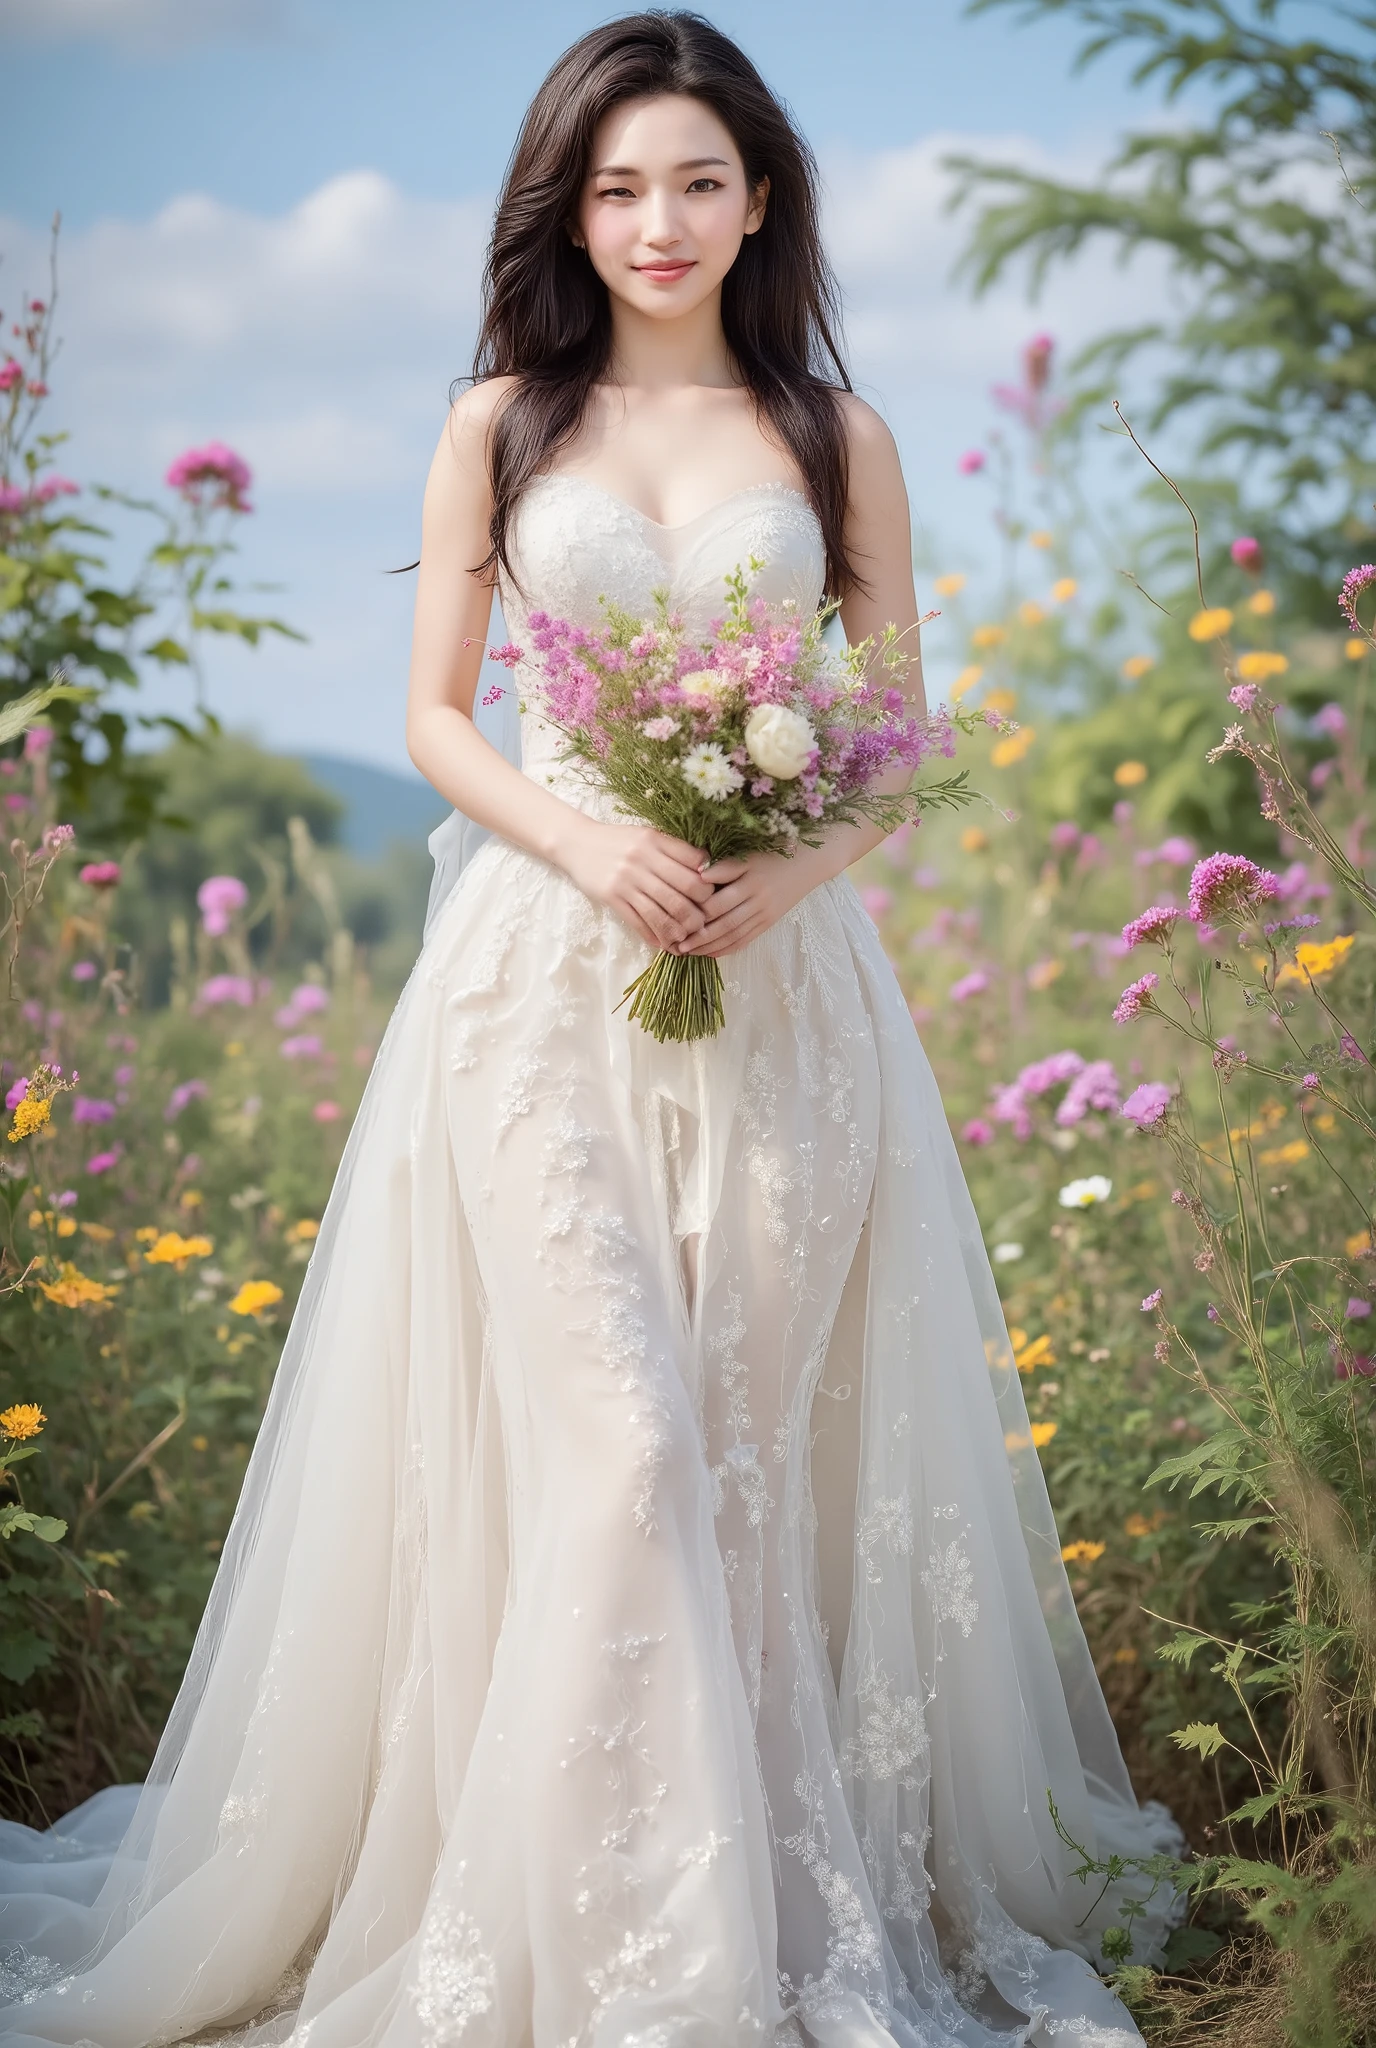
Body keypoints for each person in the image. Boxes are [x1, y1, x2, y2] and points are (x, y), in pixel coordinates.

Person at [0, 14, 1181, 2047]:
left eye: (700, 181)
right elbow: (434, 716)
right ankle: (620, 1959)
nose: (659, 221)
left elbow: (904, 741)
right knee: (620, 1447)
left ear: (760, 199)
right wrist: (592, 847)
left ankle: (778, 1917)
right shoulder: (498, 419)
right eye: (620, 185)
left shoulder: (834, 435)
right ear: (570, 203)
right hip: (539, 989)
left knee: (732, 1453)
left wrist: (771, 874)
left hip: (784, 993)